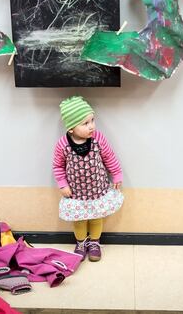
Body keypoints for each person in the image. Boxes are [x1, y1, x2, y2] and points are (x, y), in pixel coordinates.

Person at [52, 95, 124, 262]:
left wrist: (117, 174)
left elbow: (109, 157)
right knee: (79, 220)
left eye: (92, 120)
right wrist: (62, 184)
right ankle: (81, 243)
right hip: (76, 193)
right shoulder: (63, 144)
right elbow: (58, 166)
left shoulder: (98, 139)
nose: (91, 126)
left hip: (98, 190)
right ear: (71, 128)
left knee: (96, 217)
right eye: (85, 123)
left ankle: (94, 243)